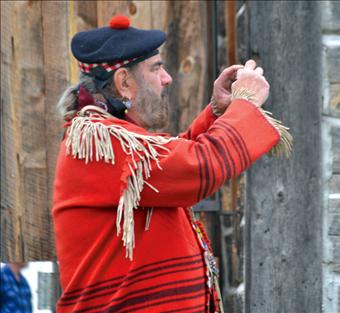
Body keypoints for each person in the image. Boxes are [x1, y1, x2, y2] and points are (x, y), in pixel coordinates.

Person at [52, 15, 292, 313]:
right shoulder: (99, 141)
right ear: (124, 82)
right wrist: (245, 104)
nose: (167, 78)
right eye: (156, 68)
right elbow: (194, 168)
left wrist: (218, 111)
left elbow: (168, 168)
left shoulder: (114, 139)